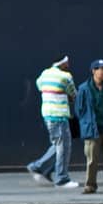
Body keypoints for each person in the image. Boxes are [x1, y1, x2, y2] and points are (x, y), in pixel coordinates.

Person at [27, 56, 79, 189]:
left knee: (57, 145)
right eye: (67, 62)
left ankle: (38, 167)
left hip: (48, 114)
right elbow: (74, 95)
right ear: (63, 63)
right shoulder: (65, 76)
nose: (69, 65)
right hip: (59, 115)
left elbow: (39, 85)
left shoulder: (44, 74)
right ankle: (61, 179)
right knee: (63, 147)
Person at [75, 59, 103, 195]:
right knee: (92, 159)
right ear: (94, 71)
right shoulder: (84, 88)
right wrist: (87, 122)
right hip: (92, 129)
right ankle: (90, 185)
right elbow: (78, 109)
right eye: (101, 69)